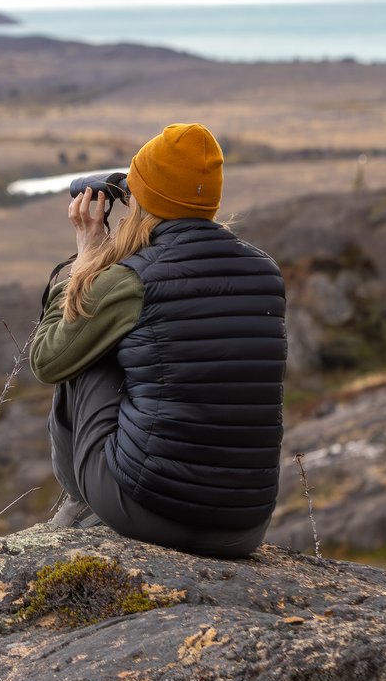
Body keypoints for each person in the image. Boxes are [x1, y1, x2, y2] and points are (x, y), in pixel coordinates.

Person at [29, 122, 285, 558]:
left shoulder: (132, 280)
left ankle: (79, 506)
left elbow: (48, 359)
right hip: (242, 527)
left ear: (146, 200)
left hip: (146, 512)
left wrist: (86, 262)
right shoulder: (265, 272)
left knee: (87, 351)